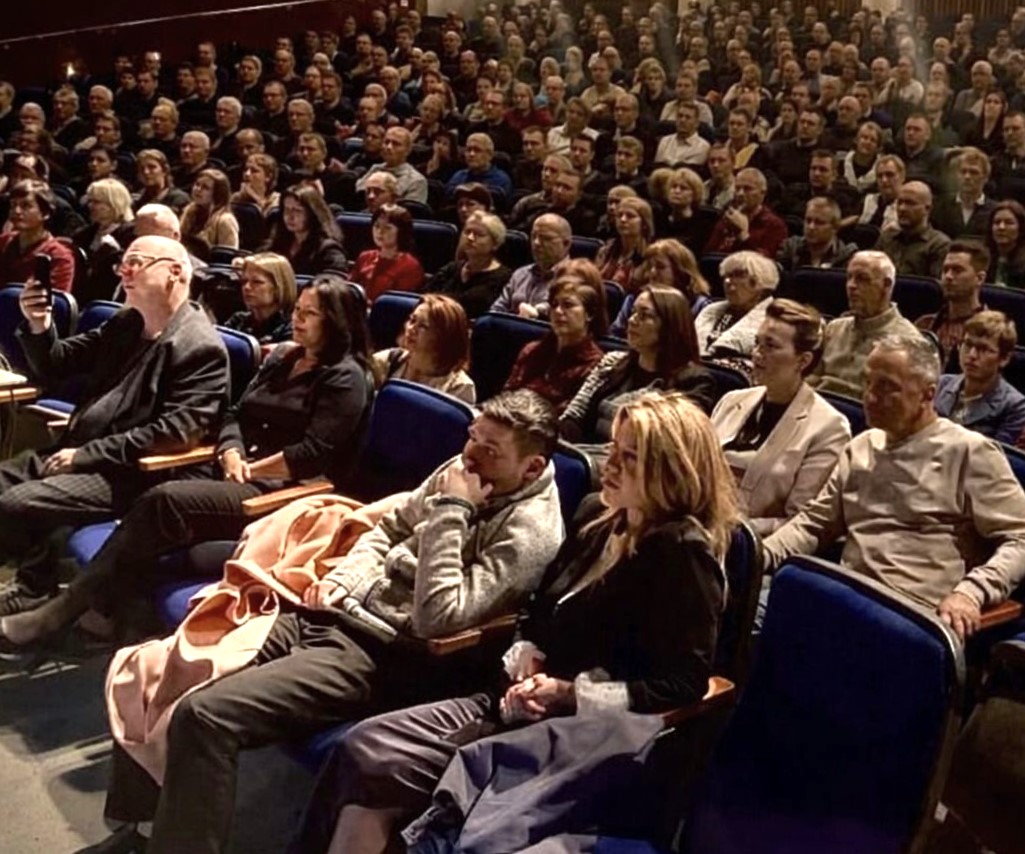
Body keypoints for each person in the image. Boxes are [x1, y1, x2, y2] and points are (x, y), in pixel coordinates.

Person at [95, 389, 565, 854]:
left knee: (206, 715)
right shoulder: (463, 468)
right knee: (157, 662)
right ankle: (138, 831)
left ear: (533, 467)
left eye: (490, 448)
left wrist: (452, 510)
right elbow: (388, 529)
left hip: (382, 654)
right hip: (331, 613)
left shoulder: (530, 530)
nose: (471, 452)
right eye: (473, 435)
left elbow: (438, 617)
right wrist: (343, 580)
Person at [292, 391, 738, 854]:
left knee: (375, 770)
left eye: (630, 457)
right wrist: (527, 650)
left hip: (587, 737)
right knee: (363, 749)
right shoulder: (596, 517)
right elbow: (537, 608)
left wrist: (570, 692)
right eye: (613, 449)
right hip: (518, 701)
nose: (610, 465)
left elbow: (682, 684)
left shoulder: (684, 555)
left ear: (671, 471)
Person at [1, 277, 374, 647]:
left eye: (311, 314)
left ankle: (61, 612)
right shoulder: (284, 357)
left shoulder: (347, 378)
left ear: (338, 321)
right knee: (144, 491)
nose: (298, 318)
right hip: (231, 466)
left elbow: (311, 456)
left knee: (165, 499)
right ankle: (101, 609)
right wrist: (232, 451)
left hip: (279, 491)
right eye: (298, 309)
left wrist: (249, 468)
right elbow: (233, 414)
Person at [0, 236, 228, 618]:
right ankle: (35, 583)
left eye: (137, 262)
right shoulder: (127, 323)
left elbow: (175, 432)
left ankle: (35, 589)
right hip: (78, 454)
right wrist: (40, 324)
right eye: (123, 262)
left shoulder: (199, 346)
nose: (124, 270)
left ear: (174, 272)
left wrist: (86, 454)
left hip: (127, 473)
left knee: (15, 504)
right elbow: (57, 364)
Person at [764, 333, 1025, 641]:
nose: (870, 397)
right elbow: (813, 525)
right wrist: (759, 556)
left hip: (909, 617)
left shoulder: (969, 452)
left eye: (887, 387)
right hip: (842, 597)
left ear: (928, 395)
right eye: (868, 382)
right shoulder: (861, 446)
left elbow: (1020, 537)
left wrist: (972, 591)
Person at [712, 298, 851, 536]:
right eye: (756, 343)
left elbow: (800, 520)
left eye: (770, 346)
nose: (756, 354)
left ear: (803, 360)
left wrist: (735, 531)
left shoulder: (829, 428)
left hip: (749, 544)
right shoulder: (732, 401)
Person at [561, 285, 715, 453]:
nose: (632, 320)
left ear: (670, 325)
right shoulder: (612, 362)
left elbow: (666, 445)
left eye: (644, 315)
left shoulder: (694, 382)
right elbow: (575, 414)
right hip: (586, 454)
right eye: (633, 312)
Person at [811, 251, 921, 398]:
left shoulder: (908, 342)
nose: (851, 286)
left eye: (862, 279)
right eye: (849, 277)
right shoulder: (834, 328)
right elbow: (812, 378)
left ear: (886, 285)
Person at [505, 259, 608, 414]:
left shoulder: (594, 366)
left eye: (568, 305)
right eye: (554, 305)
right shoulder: (532, 350)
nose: (558, 311)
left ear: (590, 313)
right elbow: (507, 395)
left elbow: (566, 419)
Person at [933, 311, 1025, 444]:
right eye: (968, 344)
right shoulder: (940, 384)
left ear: (1004, 359)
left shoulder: (1015, 406)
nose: (972, 355)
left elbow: (995, 458)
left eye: (983, 349)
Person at [371, 294, 475, 403]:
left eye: (423, 326)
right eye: (412, 320)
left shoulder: (460, 387)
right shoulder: (388, 360)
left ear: (444, 337)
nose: (411, 329)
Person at [610, 240, 713, 338]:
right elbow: (615, 336)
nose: (652, 273)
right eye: (650, 266)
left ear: (680, 272)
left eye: (660, 267)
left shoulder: (700, 305)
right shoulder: (634, 300)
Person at [694, 251, 779, 368]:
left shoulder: (774, 318)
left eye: (738, 275)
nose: (727, 281)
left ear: (759, 282)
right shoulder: (711, 310)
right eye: (726, 276)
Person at [916, 241, 990, 371]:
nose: (948, 276)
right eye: (945, 270)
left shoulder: (990, 332)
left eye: (957, 270)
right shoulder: (924, 325)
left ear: (979, 278)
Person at [427, 211, 512, 320]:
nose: (470, 238)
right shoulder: (452, 268)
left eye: (479, 234)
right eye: (467, 232)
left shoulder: (503, 278)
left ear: (495, 244)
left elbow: (468, 305)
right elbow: (424, 293)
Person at [491, 214, 572, 319]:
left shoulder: (576, 278)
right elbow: (496, 311)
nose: (536, 242)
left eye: (545, 238)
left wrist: (538, 312)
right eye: (533, 236)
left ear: (566, 244)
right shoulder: (520, 274)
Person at [0, 180, 76, 293]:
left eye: (26, 206)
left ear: (45, 213)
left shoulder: (59, 257)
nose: (17, 211)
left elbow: (52, 304)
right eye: (13, 205)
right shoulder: (3, 241)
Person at [72, 178, 136, 303]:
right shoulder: (83, 234)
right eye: (90, 201)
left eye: (97, 202)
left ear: (114, 204)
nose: (90, 206)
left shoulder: (131, 234)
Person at [704, 168, 788, 258]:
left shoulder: (775, 226)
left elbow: (763, 265)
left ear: (762, 193)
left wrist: (743, 234)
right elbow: (708, 254)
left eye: (747, 189)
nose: (740, 193)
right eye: (737, 188)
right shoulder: (727, 219)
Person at [265, 184, 347, 276]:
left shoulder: (328, 249)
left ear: (312, 213)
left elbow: (333, 283)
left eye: (297, 210)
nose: (290, 216)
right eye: (286, 209)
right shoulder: (278, 244)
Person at [348, 204, 424, 303]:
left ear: (401, 232)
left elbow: (398, 304)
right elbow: (349, 289)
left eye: (387, 228)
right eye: (377, 226)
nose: (380, 232)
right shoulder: (365, 257)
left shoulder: (410, 266)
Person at [876, 180, 951, 279]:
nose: (902, 208)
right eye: (899, 203)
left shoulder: (939, 245)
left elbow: (934, 289)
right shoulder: (887, 237)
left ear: (927, 209)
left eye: (910, 203)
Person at [223, 252, 297, 344]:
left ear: (279, 287)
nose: (247, 287)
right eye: (244, 281)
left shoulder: (292, 327)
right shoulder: (237, 321)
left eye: (257, 282)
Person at [777, 197, 858, 272]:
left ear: (835, 227)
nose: (811, 227)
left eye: (819, 223)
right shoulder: (790, 247)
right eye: (808, 221)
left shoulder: (846, 256)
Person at [595, 197, 654, 293]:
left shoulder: (650, 255)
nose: (623, 220)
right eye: (619, 215)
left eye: (630, 216)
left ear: (644, 224)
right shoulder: (606, 250)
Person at [179, 168, 240, 261]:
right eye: (197, 184)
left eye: (205, 188)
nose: (198, 189)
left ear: (217, 194)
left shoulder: (225, 221)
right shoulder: (189, 211)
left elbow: (228, 258)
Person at [655, 167, 718, 250]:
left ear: (694, 194)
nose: (677, 191)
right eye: (674, 187)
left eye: (683, 188)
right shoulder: (658, 218)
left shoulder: (703, 223)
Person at [132, 149, 190, 214]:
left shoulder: (179, 199)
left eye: (152, 167)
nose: (146, 172)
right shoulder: (138, 200)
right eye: (142, 169)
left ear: (164, 170)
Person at [986, 200, 1025, 287]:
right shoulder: (982, 259)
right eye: (997, 222)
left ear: (1021, 228)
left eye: (1009, 223)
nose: (1001, 227)